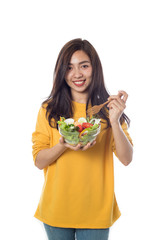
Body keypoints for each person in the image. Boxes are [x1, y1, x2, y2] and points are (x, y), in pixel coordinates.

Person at [32, 38, 133, 240]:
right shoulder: (49, 110)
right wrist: (62, 145)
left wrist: (114, 121)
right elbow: (38, 161)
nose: (77, 74)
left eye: (84, 66)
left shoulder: (108, 110)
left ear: (95, 69)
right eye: (69, 68)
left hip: (97, 209)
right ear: (62, 72)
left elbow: (126, 158)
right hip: (56, 209)